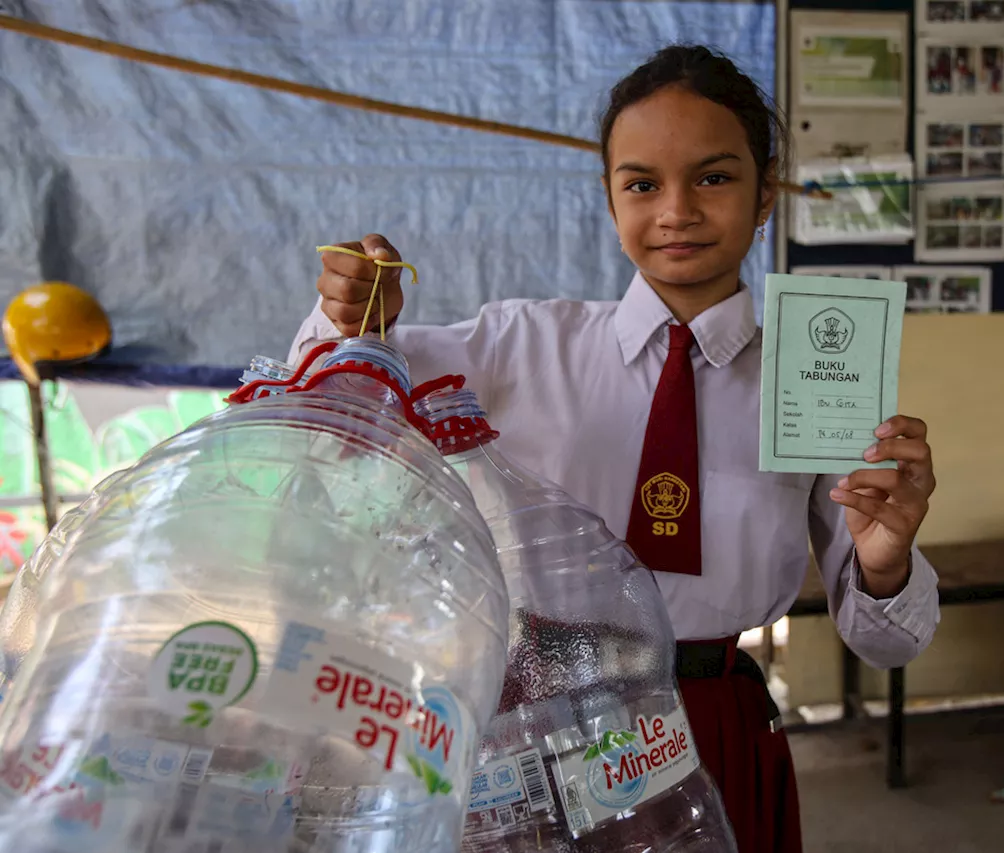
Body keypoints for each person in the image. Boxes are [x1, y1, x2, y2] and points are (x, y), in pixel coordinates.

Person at [291, 44, 941, 853]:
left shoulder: (815, 378)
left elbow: (887, 639)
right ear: (608, 199)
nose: (676, 210)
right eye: (641, 184)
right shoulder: (520, 343)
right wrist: (354, 319)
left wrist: (885, 560)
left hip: (715, 723)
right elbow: (332, 402)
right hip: (538, 721)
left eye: (714, 176)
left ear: (765, 192)